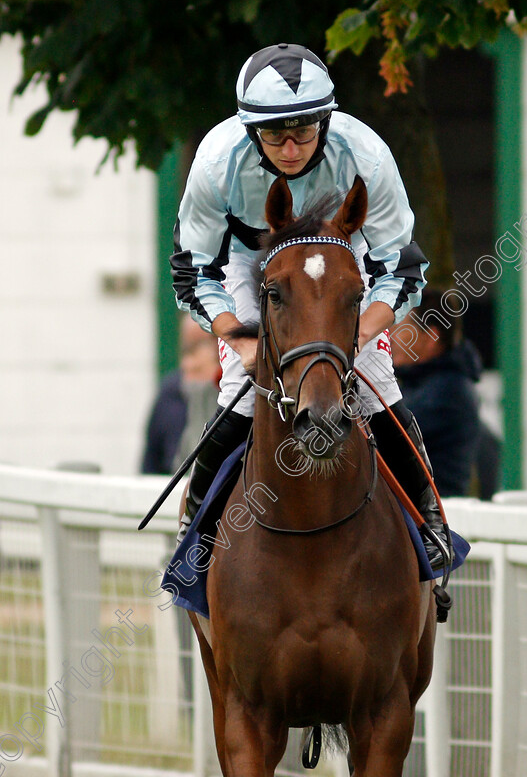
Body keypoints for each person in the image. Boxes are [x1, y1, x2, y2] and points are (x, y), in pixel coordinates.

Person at [170, 43, 449, 567]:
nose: (291, 147)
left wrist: (358, 336)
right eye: (275, 134)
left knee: (377, 384)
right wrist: (238, 336)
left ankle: (429, 521)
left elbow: (401, 268)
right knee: (241, 391)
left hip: (343, 253)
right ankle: (197, 532)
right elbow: (194, 270)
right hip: (246, 258)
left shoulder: (365, 156)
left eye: (304, 130)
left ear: (327, 119)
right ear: (251, 130)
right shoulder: (214, 164)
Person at [391, 289, 484, 497]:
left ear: (432, 336)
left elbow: (387, 437)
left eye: (400, 327)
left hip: (431, 522)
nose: (391, 337)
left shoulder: (449, 392)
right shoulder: (420, 385)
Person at [141, 315, 220, 475]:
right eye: (188, 350)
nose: (189, 362)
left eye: (203, 344)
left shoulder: (237, 396)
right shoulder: (169, 392)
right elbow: (151, 462)